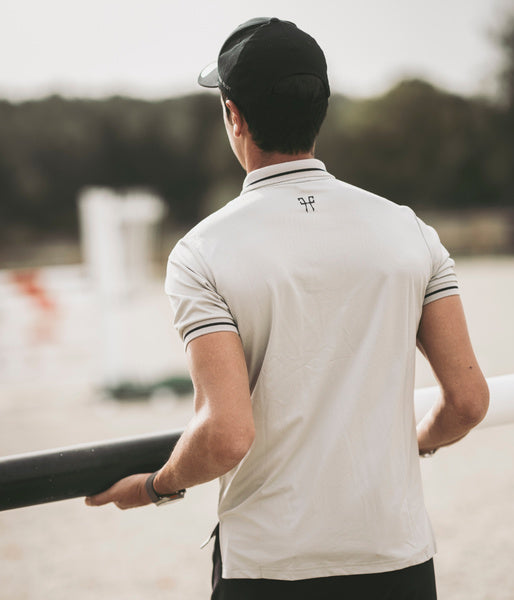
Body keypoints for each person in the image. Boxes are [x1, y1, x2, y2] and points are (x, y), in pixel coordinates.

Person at [86, 17, 490, 600]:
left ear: (234, 116)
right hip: (397, 559)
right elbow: (469, 401)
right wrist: (415, 442)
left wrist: (154, 485)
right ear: (319, 109)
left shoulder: (202, 252)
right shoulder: (411, 231)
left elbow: (227, 435)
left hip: (271, 567)